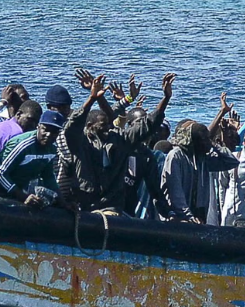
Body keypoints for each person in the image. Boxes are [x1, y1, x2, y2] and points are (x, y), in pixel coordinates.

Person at [59, 71, 173, 215]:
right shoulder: (79, 143)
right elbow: (73, 126)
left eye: (108, 124)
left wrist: (166, 98)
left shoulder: (119, 140)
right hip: (83, 205)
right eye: (103, 126)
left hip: (111, 207)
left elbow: (148, 124)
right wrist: (91, 98)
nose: (108, 128)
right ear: (89, 126)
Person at [0, 102, 64, 207]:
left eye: (54, 132)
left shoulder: (51, 149)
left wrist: (63, 202)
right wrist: (23, 197)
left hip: (14, 190)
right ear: (38, 127)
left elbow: (48, 177)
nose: (49, 135)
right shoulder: (24, 145)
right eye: (45, 130)